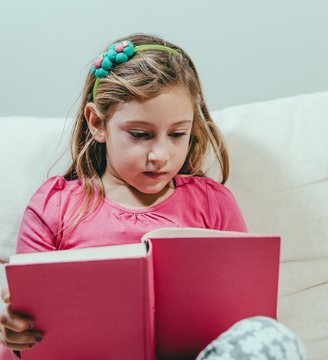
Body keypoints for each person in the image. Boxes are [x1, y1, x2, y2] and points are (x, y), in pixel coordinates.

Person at [0, 33, 305, 359]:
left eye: (177, 134)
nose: (160, 155)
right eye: (140, 134)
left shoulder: (212, 203)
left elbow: (245, 314)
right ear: (97, 123)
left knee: (274, 337)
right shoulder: (55, 207)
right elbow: (27, 336)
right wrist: (13, 331)